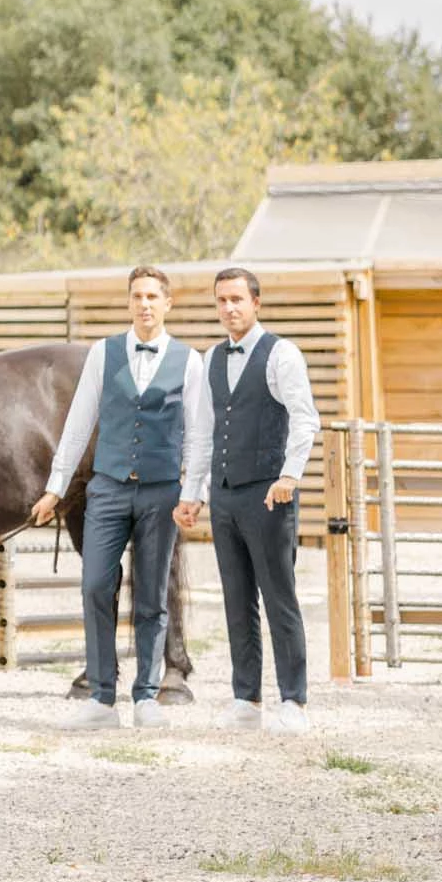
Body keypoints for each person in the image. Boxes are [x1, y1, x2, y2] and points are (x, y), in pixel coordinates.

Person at [30, 264, 210, 731]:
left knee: (151, 595)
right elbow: (77, 423)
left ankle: (147, 696)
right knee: (94, 585)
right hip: (106, 489)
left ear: (167, 304)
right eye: (137, 297)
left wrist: (193, 493)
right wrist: (55, 487)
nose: (144, 304)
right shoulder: (103, 354)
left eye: (152, 296)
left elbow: (198, 436)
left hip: (160, 491)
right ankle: (102, 696)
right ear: (129, 303)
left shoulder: (190, 362)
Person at [175, 264, 320, 733]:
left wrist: (290, 475)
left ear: (256, 303)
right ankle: (246, 698)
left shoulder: (282, 355)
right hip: (224, 495)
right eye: (221, 300)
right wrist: (192, 494)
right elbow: (201, 434)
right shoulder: (212, 358)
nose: (229, 308)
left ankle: (294, 701)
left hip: (268, 495)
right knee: (236, 599)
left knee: (279, 597)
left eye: (237, 299)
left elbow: (305, 418)